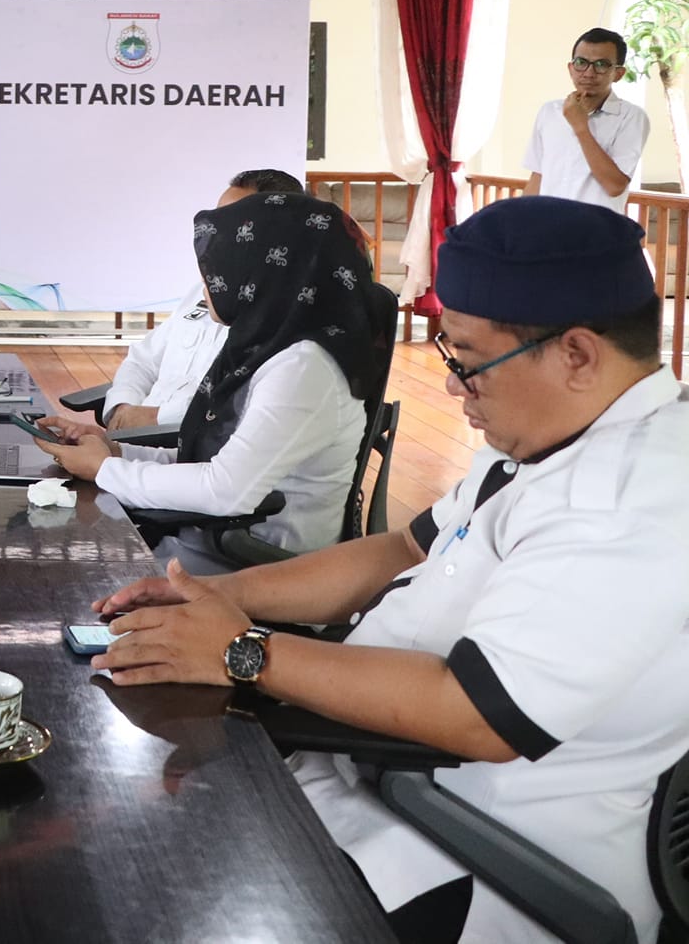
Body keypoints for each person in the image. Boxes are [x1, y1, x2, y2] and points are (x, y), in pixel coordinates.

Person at [89, 195, 689, 944]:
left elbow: (477, 715)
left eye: (470, 364)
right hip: (369, 772)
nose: (452, 387)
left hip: (466, 847)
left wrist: (243, 651)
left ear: (576, 354)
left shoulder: (629, 501)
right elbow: (403, 548)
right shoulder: (551, 442)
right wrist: (214, 595)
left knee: (145, 885)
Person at [40, 193, 380, 565]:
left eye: (218, 274)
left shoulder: (303, 369)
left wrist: (104, 469)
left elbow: (225, 490)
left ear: (261, 271)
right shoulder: (269, 345)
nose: (207, 288)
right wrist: (115, 449)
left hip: (251, 564)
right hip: (208, 540)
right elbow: (211, 461)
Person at [103, 168, 307, 431]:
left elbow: (236, 408)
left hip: (185, 454)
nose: (217, 234)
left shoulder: (287, 316)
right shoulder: (200, 292)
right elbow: (142, 361)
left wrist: (153, 420)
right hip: (134, 445)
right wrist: (122, 409)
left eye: (233, 224)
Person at [523, 27, 650, 211]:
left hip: (597, 232)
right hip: (548, 226)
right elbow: (537, 176)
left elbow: (614, 186)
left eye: (601, 64)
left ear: (618, 74)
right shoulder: (549, 111)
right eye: (581, 62)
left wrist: (580, 126)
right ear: (570, 68)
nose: (589, 73)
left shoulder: (632, 117)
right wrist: (520, 221)